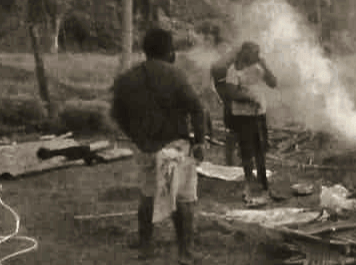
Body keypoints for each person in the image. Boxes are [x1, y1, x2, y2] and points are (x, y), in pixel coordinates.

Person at [110, 28, 208, 265]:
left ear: (145, 51)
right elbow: (197, 109)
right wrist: (200, 142)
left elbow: (116, 113)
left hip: (145, 147)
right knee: (183, 200)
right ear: (169, 51)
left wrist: (136, 137)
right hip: (174, 146)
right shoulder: (175, 74)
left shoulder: (127, 78)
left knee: (147, 195)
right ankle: (185, 254)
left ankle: (146, 248)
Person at [210, 41, 278, 203]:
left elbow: (273, 83)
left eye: (258, 52)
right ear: (246, 53)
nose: (257, 55)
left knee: (261, 149)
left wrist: (265, 66)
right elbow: (232, 92)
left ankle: (263, 183)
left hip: (259, 114)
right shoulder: (234, 70)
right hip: (243, 117)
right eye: (255, 52)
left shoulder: (258, 68)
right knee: (247, 152)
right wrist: (250, 98)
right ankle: (249, 183)